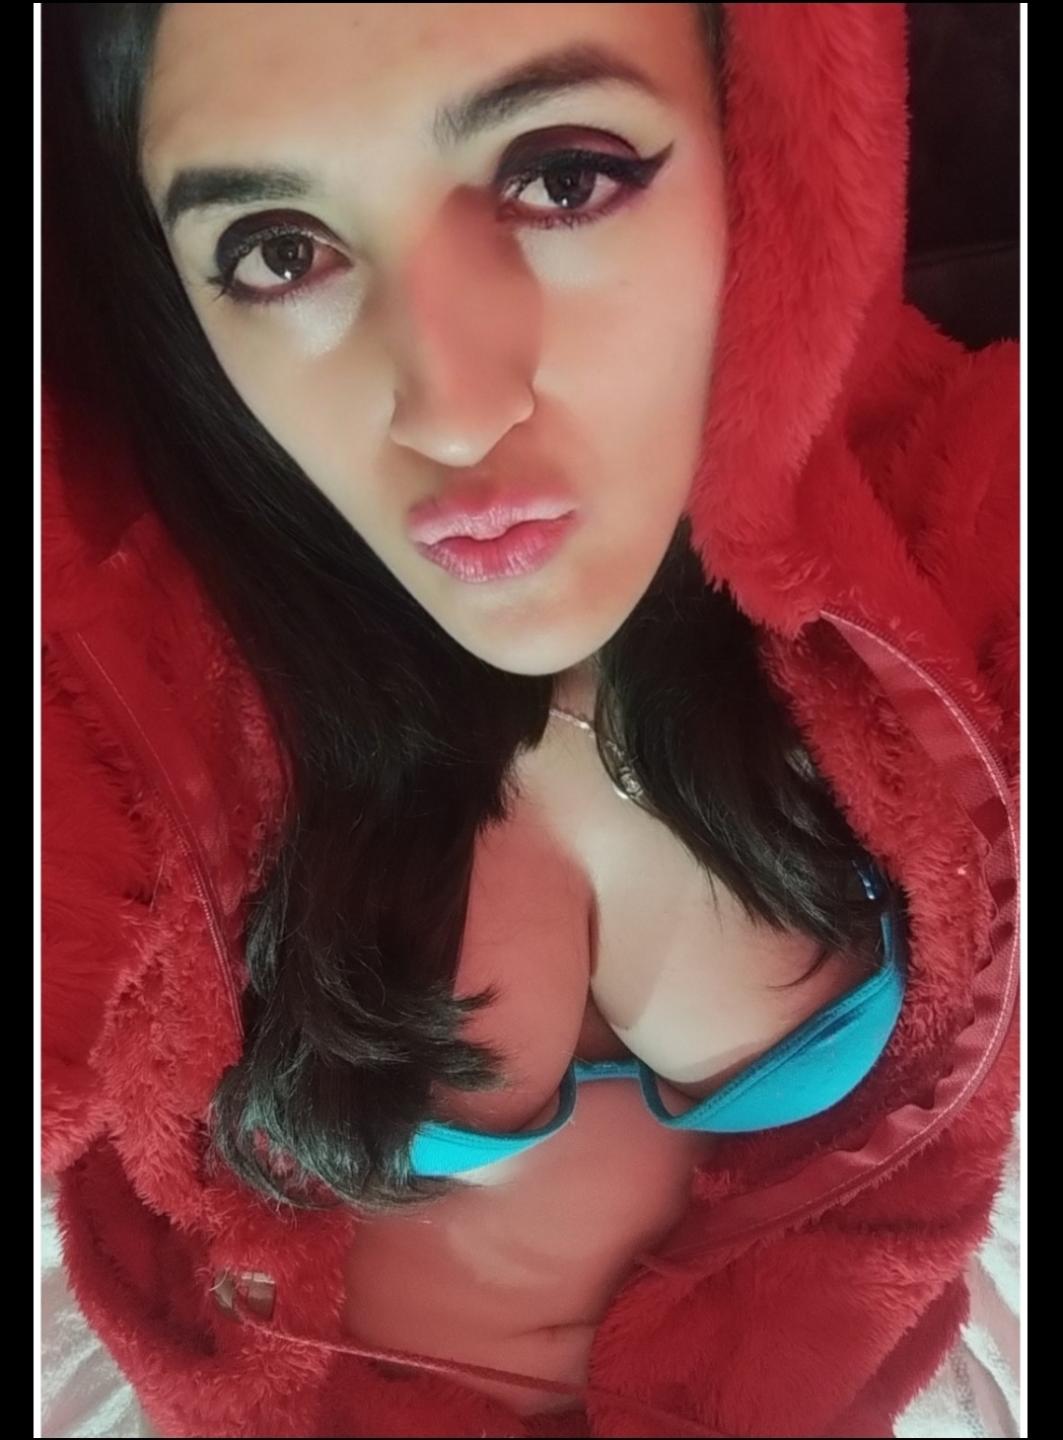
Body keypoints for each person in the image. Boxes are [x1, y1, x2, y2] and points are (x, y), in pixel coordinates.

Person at [40, 4, 1020, 1436]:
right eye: (278, 252)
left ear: (772, 144)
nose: (449, 412)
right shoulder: (112, 654)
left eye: (564, 176)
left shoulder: (953, 505)